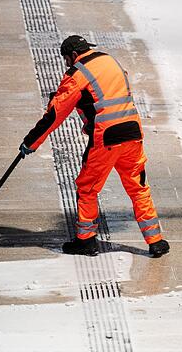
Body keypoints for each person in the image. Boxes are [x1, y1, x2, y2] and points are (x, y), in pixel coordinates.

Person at [19, 35, 170, 257]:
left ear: (72, 55)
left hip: (107, 138)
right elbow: (109, 94)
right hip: (133, 132)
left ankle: (86, 241)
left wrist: (31, 142)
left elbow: (55, 114)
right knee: (138, 187)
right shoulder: (110, 60)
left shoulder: (77, 74)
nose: (67, 64)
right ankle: (156, 241)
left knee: (87, 187)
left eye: (66, 59)